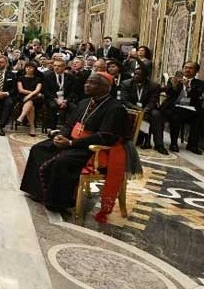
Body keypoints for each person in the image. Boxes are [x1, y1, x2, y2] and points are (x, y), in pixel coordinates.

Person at [20, 72, 129, 222]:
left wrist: (71, 143)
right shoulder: (85, 102)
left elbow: (105, 136)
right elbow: (70, 124)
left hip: (92, 149)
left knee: (62, 161)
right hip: (72, 141)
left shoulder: (115, 108)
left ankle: (57, 203)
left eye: (92, 83)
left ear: (105, 87)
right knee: (39, 148)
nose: (86, 85)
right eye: (87, 82)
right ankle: (37, 192)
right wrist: (62, 136)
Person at [161, 61, 204, 154]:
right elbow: (169, 94)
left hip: (189, 108)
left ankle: (192, 145)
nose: (188, 70)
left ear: (196, 71)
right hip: (173, 106)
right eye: (186, 67)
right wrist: (174, 86)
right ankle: (173, 143)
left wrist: (188, 87)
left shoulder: (200, 84)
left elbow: (196, 97)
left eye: (191, 68)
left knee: (202, 115)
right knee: (176, 114)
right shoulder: (173, 79)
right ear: (183, 68)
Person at [121, 67, 166, 154]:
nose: (136, 76)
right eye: (135, 74)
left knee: (156, 115)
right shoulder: (126, 83)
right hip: (131, 108)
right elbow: (125, 100)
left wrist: (145, 110)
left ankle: (159, 145)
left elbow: (153, 101)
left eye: (139, 75)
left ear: (145, 77)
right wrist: (138, 109)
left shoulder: (154, 86)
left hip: (148, 109)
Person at [42, 58, 76, 131]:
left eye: (59, 66)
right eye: (55, 66)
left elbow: (73, 91)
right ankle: (51, 127)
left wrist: (65, 101)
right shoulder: (48, 76)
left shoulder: (70, 77)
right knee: (53, 106)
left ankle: (69, 128)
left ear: (64, 67)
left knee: (73, 107)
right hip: (52, 98)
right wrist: (56, 99)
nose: (56, 67)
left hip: (66, 99)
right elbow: (46, 91)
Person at [16, 62, 43, 136]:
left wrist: (29, 95)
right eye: (27, 67)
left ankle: (21, 116)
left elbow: (38, 89)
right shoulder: (20, 78)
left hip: (35, 97)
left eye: (31, 67)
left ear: (34, 69)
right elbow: (21, 90)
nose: (28, 68)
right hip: (23, 96)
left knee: (31, 101)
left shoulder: (38, 79)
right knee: (31, 107)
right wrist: (31, 94)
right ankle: (32, 127)